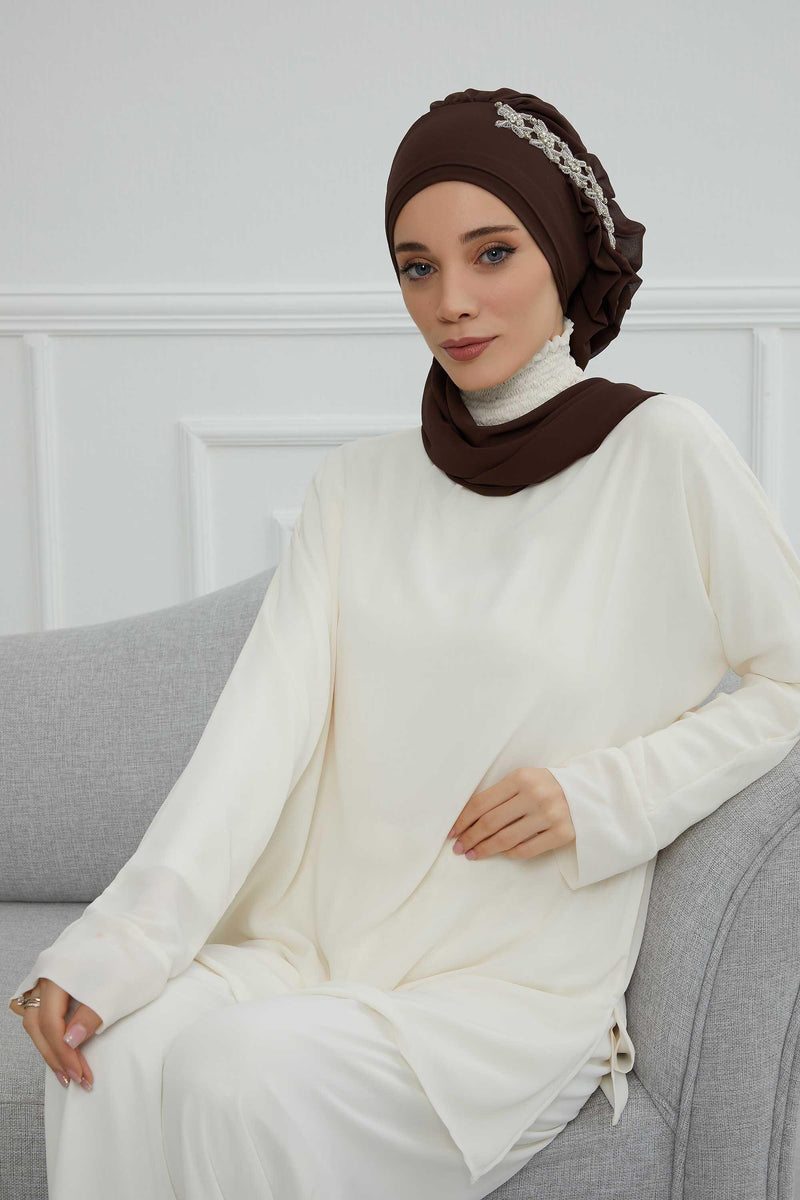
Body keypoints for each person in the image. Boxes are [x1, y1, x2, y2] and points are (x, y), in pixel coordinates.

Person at [8, 86, 800, 1200]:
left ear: (564, 253)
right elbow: (252, 742)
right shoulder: (357, 487)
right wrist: (116, 947)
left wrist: (605, 794)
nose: (451, 301)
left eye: (492, 253)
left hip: (506, 984)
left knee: (238, 1076)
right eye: (417, 267)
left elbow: (788, 678)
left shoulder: (659, 451)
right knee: (112, 1058)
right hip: (313, 944)